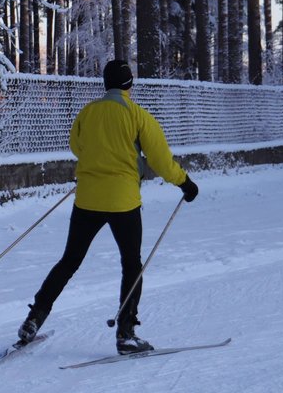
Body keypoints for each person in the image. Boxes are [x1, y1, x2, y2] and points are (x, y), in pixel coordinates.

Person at [17, 60, 199, 354]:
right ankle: (126, 333)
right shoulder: (138, 116)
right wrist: (185, 183)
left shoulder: (88, 112)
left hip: (87, 199)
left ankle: (34, 318)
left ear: (106, 84)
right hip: (123, 202)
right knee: (131, 264)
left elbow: (77, 147)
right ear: (129, 85)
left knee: (69, 261)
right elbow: (162, 161)